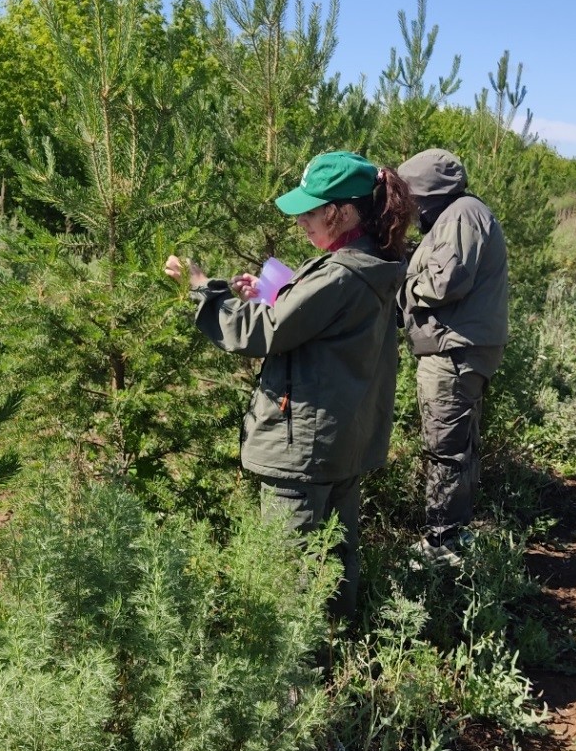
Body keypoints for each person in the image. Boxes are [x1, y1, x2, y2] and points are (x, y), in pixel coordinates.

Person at [163, 151, 412, 618]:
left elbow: (259, 333)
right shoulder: (371, 262)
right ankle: (339, 663)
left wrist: (202, 288)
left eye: (307, 213)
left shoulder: (339, 274)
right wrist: (280, 293)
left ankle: (296, 685)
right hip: (343, 442)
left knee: (287, 568)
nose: (300, 223)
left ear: (336, 213)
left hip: (303, 449)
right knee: (337, 559)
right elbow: (318, 324)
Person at [396, 148, 509, 567]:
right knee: (458, 444)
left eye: (411, 201)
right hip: (459, 348)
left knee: (445, 447)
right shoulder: (456, 215)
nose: (408, 211)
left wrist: (401, 286)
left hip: (454, 352)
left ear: (426, 195)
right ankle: (453, 535)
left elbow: (445, 283)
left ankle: (442, 544)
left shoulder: (461, 215)